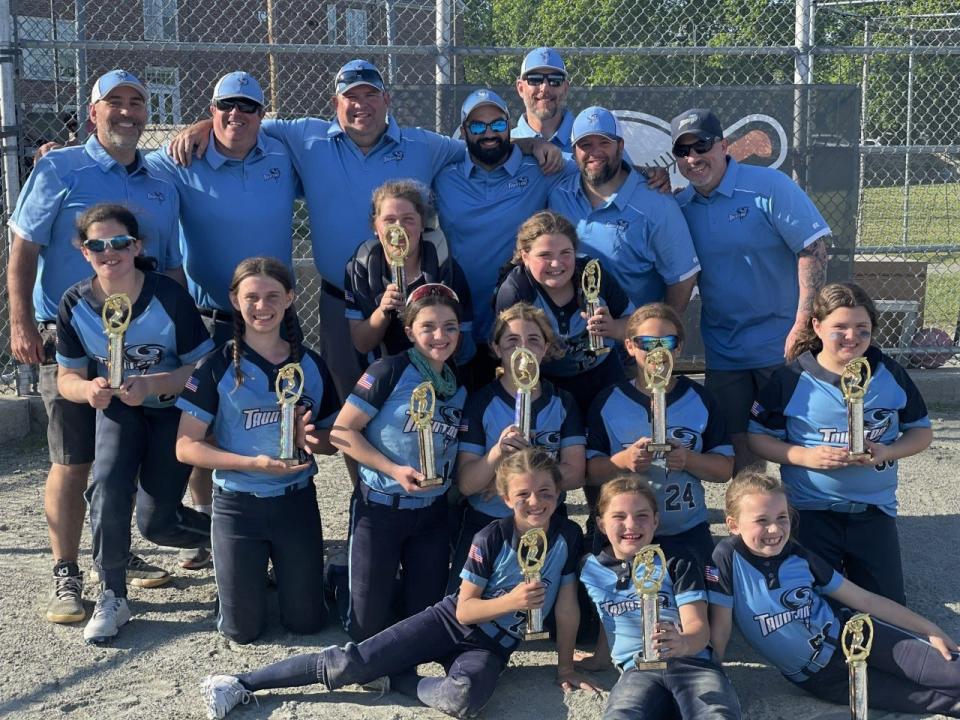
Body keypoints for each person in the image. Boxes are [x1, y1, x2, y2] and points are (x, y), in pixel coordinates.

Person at [168, 60, 562, 401]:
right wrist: (206, 125)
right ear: (335, 104)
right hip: (340, 299)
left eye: (371, 96)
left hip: (416, 296)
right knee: (347, 396)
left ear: (387, 101)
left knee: (419, 393)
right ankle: (363, 489)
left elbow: (484, 143)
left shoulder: (424, 145)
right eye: (351, 97)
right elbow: (244, 122)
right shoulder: (305, 136)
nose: (361, 106)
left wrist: (532, 146)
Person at [200, 447, 599, 720]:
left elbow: (566, 606)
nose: (536, 501)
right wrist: (512, 600)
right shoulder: (491, 536)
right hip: (452, 621)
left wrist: (565, 666)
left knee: (463, 699)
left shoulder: (566, 535)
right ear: (505, 496)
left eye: (546, 492)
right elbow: (464, 608)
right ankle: (241, 683)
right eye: (524, 494)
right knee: (350, 663)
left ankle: (395, 677)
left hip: (492, 644)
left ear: (560, 492)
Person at [7, 68, 182, 623]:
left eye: (137, 101)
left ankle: (115, 553)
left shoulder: (159, 180)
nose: (127, 111)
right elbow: (24, 248)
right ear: (93, 112)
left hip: (143, 346)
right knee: (73, 457)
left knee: (121, 458)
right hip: (71, 339)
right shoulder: (60, 166)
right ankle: (66, 572)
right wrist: (21, 324)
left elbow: (171, 267)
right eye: (115, 102)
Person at [146, 71, 303, 569]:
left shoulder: (282, 151)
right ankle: (209, 525)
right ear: (210, 109)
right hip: (209, 316)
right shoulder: (179, 160)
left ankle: (282, 517)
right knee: (205, 422)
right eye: (224, 106)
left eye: (248, 107)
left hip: (275, 315)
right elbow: (125, 167)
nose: (236, 115)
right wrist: (52, 153)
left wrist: (207, 121)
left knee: (277, 414)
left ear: (263, 114)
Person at [55, 204, 213, 643]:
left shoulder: (167, 295)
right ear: (84, 251)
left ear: (136, 246)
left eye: (119, 242)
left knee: (156, 524)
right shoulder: (74, 302)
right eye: (97, 245)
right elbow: (66, 377)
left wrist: (156, 383)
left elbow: (203, 370)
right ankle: (112, 593)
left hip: (171, 411)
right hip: (119, 410)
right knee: (105, 483)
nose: (110, 252)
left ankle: (242, 536)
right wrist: (88, 391)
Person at [175, 257, 340, 644]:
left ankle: (313, 578)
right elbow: (185, 446)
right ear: (234, 299)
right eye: (251, 297)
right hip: (237, 505)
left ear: (290, 299)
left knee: (307, 623)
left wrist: (312, 439)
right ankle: (236, 591)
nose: (261, 307)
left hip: (295, 501)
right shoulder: (216, 365)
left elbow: (331, 441)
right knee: (242, 632)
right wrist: (255, 463)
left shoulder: (310, 364)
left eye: (272, 297)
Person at [708, 472, 960, 717]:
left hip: (855, 635)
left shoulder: (798, 556)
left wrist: (929, 629)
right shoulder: (726, 558)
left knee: (952, 674)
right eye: (761, 520)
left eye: (782, 517)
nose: (774, 529)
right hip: (821, 678)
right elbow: (721, 626)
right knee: (936, 701)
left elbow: (864, 600)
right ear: (733, 525)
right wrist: (714, 673)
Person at [747, 282, 932, 604]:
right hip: (810, 511)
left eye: (862, 328)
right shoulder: (791, 379)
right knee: (813, 607)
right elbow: (757, 438)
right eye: (840, 327)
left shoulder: (890, 373)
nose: (852, 336)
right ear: (817, 326)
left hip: (874, 510)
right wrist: (804, 456)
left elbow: (921, 432)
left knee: (887, 611)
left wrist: (889, 450)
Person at [672, 107, 830, 472]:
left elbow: (813, 249)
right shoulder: (681, 206)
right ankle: (754, 526)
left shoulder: (769, 186)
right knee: (739, 446)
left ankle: (803, 522)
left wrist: (803, 324)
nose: (693, 158)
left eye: (702, 146)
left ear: (723, 145)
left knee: (798, 439)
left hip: (783, 345)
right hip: (725, 351)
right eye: (683, 151)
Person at [330, 283, 468, 641]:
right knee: (365, 631)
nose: (440, 336)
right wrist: (393, 469)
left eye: (450, 326)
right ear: (409, 331)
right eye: (428, 327)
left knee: (420, 622)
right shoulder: (387, 370)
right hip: (381, 510)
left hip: (432, 512)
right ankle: (337, 581)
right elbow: (341, 432)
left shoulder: (459, 386)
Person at [433, 88, 577, 386]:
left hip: (523, 319)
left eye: (498, 125)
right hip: (463, 316)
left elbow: (596, 169)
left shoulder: (542, 168)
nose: (489, 133)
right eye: (477, 126)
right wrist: (532, 142)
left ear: (510, 127)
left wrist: (647, 173)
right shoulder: (443, 175)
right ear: (463, 131)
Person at [579, 475, 741, 719]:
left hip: (691, 662)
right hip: (636, 668)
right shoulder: (590, 568)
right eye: (619, 516)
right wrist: (599, 658)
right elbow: (609, 614)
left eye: (642, 515)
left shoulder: (676, 559)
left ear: (656, 521)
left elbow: (698, 627)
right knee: (621, 715)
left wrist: (684, 643)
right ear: (601, 524)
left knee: (715, 714)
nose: (631, 524)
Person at [586, 303, 733, 568]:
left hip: (686, 530)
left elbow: (724, 469)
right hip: (627, 534)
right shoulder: (608, 401)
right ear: (630, 346)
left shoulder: (699, 399)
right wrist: (623, 461)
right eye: (646, 342)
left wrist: (689, 460)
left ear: (678, 346)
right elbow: (589, 473)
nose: (657, 351)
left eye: (665, 341)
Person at [453, 301, 585, 588]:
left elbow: (575, 474)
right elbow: (466, 484)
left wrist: (516, 483)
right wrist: (496, 455)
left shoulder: (562, 402)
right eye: (512, 340)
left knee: (550, 616)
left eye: (533, 340)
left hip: (545, 519)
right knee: (461, 616)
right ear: (497, 349)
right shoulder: (481, 402)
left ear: (546, 348)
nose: (523, 348)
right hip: (488, 522)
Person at [549, 106, 699, 313]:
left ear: (620, 146)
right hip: (570, 338)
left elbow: (683, 278)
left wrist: (657, 335)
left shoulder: (657, 203)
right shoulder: (558, 196)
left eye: (604, 142)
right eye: (585, 144)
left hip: (631, 340)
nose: (595, 152)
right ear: (574, 152)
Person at [495, 210, 633, 416]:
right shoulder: (516, 292)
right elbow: (507, 356)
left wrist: (614, 328)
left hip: (604, 376)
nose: (556, 263)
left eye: (565, 253)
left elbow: (639, 325)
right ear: (525, 256)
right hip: (545, 385)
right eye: (545, 255)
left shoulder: (593, 274)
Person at [345, 178, 475, 367]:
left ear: (422, 224)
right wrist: (383, 312)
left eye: (408, 220)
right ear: (375, 226)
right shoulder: (361, 267)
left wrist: (433, 325)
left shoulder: (444, 267)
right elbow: (362, 344)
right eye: (389, 220)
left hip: (438, 373)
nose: (399, 228)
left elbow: (464, 348)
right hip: (384, 373)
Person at [512, 47, 575, 153]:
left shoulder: (586, 140)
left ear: (565, 89)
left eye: (555, 80)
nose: (545, 88)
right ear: (521, 88)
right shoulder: (504, 146)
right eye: (535, 79)